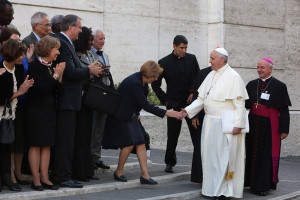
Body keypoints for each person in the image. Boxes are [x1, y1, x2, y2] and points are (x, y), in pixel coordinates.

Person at [181, 48, 248, 199]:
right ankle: (210, 189)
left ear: (221, 60)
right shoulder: (211, 74)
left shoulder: (233, 77)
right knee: (209, 158)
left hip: (226, 124)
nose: (209, 61)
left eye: (212, 58)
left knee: (223, 158)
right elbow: (201, 99)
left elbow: (239, 104)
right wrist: (187, 111)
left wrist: (239, 124)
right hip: (209, 122)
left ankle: (223, 191)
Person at [102, 60, 181, 184]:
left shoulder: (141, 81)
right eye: (155, 76)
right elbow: (146, 105)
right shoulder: (135, 83)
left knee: (141, 143)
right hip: (121, 116)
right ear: (149, 74)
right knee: (128, 145)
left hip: (131, 115)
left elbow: (136, 101)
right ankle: (119, 171)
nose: (156, 79)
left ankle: (145, 175)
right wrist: (166, 112)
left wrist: (137, 113)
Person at [50, 15, 101, 188]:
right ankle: (62, 176)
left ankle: (65, 174)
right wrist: (89, 70)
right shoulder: (62, 42)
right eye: (79, 27)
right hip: (66, 99)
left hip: (70, 100)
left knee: (69, 139)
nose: (81, 31)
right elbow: (70, 72)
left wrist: (86, 69)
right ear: (71, 27)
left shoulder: (66, 42)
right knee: (65, 140)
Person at [151, 35, 202, 182]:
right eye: (181, 48)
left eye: (186, 48)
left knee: (196, 134)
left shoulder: (192, 59)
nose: (184, 50)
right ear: (174, 46)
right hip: (173, 104)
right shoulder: (164, 62)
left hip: (191, 104)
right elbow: (155, 84)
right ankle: (169, 163)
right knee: (172, 135)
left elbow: (198, 79)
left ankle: (199, 163)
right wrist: (165, 101)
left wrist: (194, 93)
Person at [244, 58, 291, 196]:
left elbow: (283, 110)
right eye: (258, 67)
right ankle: (251, 183)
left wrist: (284, 129)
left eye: (262, 68)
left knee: (266, 156)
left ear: (270, 68)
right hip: (253, 124)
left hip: (270, 126)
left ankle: (263, 186)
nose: (259, 70)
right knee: (252, 153)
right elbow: (245, 104)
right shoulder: (252, 84)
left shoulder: (279, 86)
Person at [27, 36, 65, 191]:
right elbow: (43, 88)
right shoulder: (35, 66)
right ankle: (35, 179)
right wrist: (56, 75)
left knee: (47, 146)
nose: (58, 52)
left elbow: (59, 91)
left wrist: (59, 76)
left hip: (49, 111)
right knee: (36, 145)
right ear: (48, 49)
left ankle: (45, 177)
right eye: (56, 49)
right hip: (36, 112)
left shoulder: (52, 66)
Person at [0, 27, 34, 186]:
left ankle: (8, 178)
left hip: (12, 114)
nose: (23, 57)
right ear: (13, 54)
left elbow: (20, 86)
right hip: (1, 114)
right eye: (20, 54)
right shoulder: (1, 70)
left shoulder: (19, 67)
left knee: (8, 147)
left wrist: (22, 90)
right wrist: (19, 92)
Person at [72, 26, 99, 182]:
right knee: (80, 137)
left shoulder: (88, 54)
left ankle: (88, 170)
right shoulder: (75, 54)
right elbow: (77, 74)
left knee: (87, 136)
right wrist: (90, 72)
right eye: (89, 39)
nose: (92, 42)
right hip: (80, 99)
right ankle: (80, 171)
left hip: (89, 99)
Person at [90, 29, 111, 170]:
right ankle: (89, 158)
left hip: (105, 94)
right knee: (92, 127)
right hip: (93, 94)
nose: (103, 41)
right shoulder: (88, 53)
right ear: (93, 39)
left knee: (100, 128)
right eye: (100, 39)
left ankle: (96, 157)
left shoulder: (105, 55)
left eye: (104, 39)